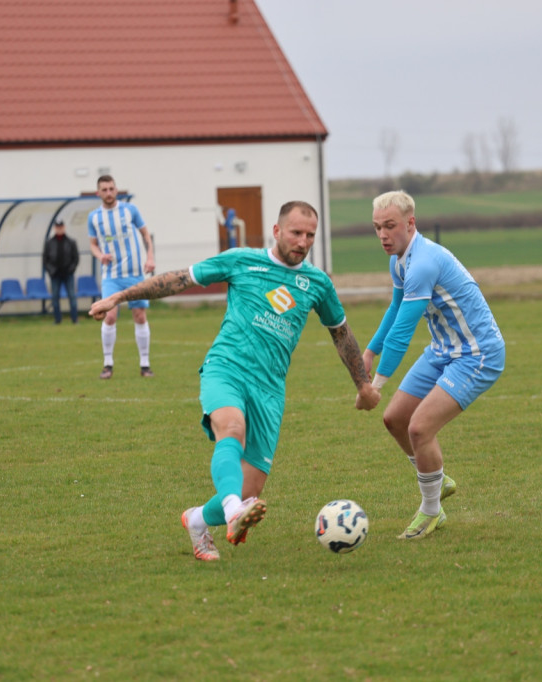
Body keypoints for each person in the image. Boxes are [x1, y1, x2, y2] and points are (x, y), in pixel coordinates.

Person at [89, 200, 381, 561]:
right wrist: (120, 295)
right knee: (231, 428)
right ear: (277, 231)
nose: (303, 241)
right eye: (296, 233)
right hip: (226, 367)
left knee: (251, 489)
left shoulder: (317, 283)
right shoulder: (242, 260)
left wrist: (363, 385)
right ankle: (231, 511)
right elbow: (179, 279)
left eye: (310, 235)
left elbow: (342, 334)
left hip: (270, 389)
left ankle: (198, 519)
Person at [362, 190, 505, 540]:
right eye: (377, 227)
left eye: (390, 226)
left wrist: (375, 385)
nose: (383, 235)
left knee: (419, 428)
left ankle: (430, 511)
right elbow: (394, 311)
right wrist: (368, 351)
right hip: (443, 350)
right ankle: (437, 479)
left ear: (411, 223)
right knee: (394, 419)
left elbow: (403, 332)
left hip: (477, 354)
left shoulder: (424, 261)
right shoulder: (399, 260)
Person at [87, 175, 155, 378]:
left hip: (134, 274)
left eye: (111, 188)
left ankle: (145, 364)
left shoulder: (129, 210)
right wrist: (100, 255)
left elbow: (145, 234)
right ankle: (107, 364)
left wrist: (150, 256)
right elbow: (92, 244)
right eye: (104, 189)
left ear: (116, 190)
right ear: (98, 193)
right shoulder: (94, 217)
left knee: (140, 316)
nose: (108, 193)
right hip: (111, 276)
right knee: (110, 315)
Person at [43, 218, 80, 324]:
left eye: (61, 227)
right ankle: (57, 320)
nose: (59, 229)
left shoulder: (71, 242)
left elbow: (76, 258)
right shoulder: (49, 243)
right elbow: (45, 259)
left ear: (64, 227)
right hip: (55, 274)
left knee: (72, 296)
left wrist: (71, 269)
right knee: (55, 297)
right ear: (55, 228)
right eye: (57, 227)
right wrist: (51, 271)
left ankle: (74, 319)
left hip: (68, 274)